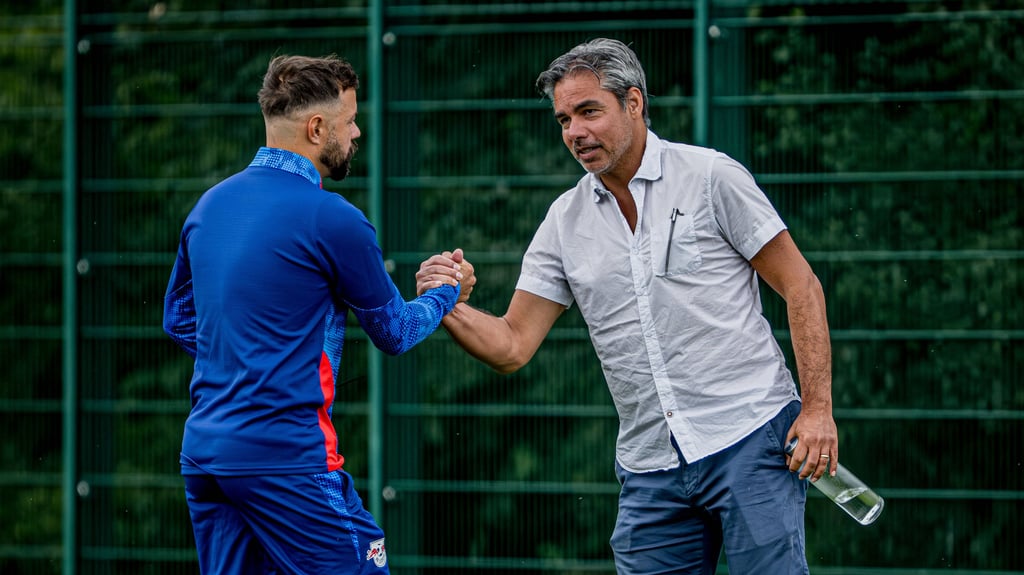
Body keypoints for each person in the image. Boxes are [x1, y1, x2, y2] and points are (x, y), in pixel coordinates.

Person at [417, 38, 837, 574]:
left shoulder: (710, 176)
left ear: (634, 103)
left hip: (749, 437)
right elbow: (512, 345)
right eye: (564, 119)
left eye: (589, 111)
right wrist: (444, 303)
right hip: (649, 469)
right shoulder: (564, 222)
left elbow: (801, 286)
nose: (575, 132)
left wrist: (818, 409)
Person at [162, 54, 471, 575]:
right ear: (316, 127)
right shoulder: (333, 218)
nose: (357, 133)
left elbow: (180, 319)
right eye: (350, 120)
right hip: (287, 458)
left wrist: (254, 356)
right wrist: (444, 291)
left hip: (206, 455)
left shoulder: (208, 207)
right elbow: (395, 331)